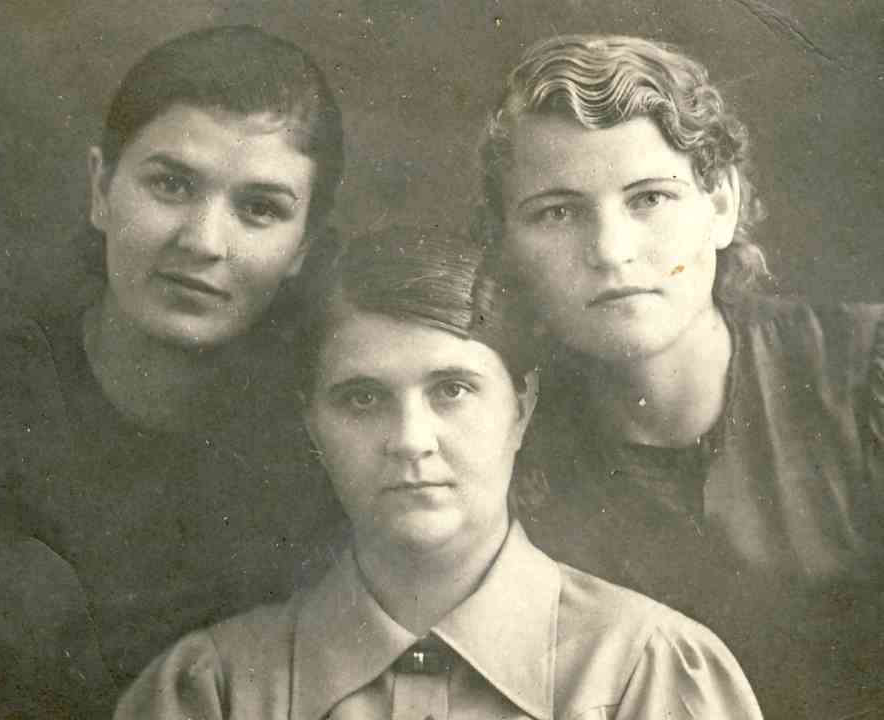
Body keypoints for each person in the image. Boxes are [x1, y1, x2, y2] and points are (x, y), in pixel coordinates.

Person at [114, 225, 763, 720]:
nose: (409, 441)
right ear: (312, 424)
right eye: (362, 399)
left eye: (452, 390)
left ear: (522, 406)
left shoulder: (647, 673)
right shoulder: (211, 692)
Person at [0, 25, 346, 719]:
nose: (203, 242)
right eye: (171, 184)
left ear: (302, 249)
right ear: (101, 189)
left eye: (260, 209)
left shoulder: (324, 449)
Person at [477, 33, 884, 719]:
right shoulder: (501, 436)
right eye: (558, 212)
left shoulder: (863, 370)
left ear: (721, 204)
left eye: (650, 199)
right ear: (506, 244)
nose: (611, 251)